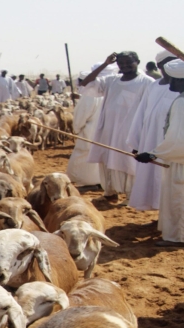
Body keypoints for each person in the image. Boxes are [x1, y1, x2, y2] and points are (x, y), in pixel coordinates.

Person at [81, 51, 154, 204]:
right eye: (121, 63)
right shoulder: (111, 80)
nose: (125, 66)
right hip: (108, 128)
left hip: (131, 130)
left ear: (138, 62)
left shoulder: (147, 82)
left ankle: (130, 195)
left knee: (128, 161)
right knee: (107, 159)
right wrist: (105, 64)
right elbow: (86, 83)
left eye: (129, 62)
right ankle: (110, 192)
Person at [135, 60, 184, 246]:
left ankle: (178, 237)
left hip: (180, 162)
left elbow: (178, 140)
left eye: (172, 79)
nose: (169, 83)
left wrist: (153, 154)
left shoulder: (181, 103)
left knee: (179, 198)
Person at [127, 51, 179, 211]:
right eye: (167, 64)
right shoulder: (153, 86)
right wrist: (136, 141)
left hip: (173, 143)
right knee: (152, 177)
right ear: (160, 67)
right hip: (150, 140)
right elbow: (141, 114)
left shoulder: (180, 87)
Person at [66, 63, 118, 187]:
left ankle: (87, 182)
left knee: (86, 155)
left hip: (91, 131)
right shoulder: (115, 90)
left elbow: (82, 115)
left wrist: (77, 128)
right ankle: (105, 182)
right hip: (112, 131)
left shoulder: (91, 93)